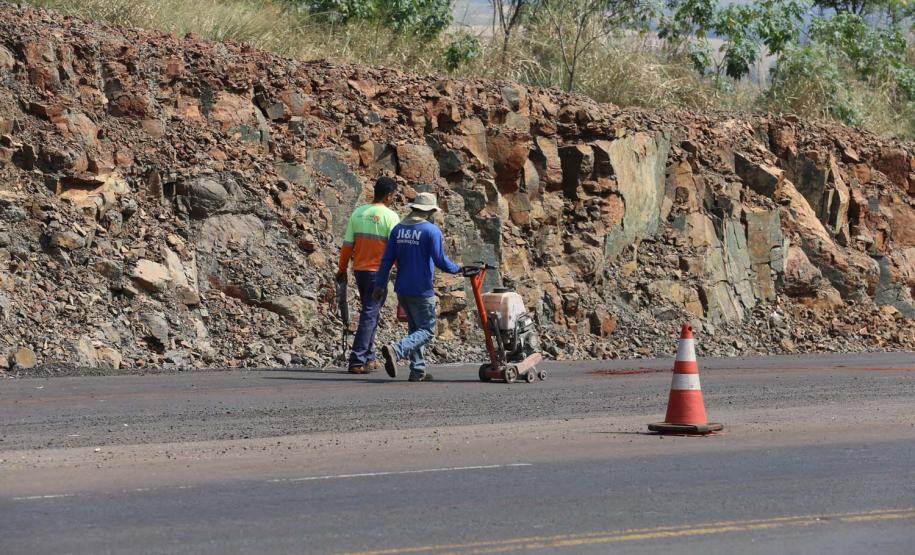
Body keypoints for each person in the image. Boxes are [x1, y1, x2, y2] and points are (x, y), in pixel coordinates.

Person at [373, 192, 461, 382]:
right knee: (428, 330)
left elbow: (387, 260)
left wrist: (380, 285)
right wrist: (458, 269)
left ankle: (417, 370)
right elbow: (441, 261)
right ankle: (397, 350)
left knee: (415, 329)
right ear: (429, 212)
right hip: (422, 289)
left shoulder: (397, 230)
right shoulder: (431, 231)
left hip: (403, 289)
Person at [336, 176, 400, 374]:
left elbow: (347, 246)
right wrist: (401, 269)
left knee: (370, 311)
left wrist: (341, 269)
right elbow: (395, 250)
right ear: (389, 195)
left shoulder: (358, 213)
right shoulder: (391, 217)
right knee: (370, 313)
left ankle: (370, 357)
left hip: (360, 271)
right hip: (378, 274)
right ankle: (357, 359)